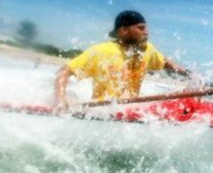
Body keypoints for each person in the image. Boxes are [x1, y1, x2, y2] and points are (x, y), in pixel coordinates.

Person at [54, 10, 189, 113]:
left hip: (131, 110)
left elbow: (165, 62)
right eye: (141, 28)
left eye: (146, 28)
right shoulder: (102, 51)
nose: (147, 32)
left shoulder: (147, 49)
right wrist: (60, 100)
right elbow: (64, 71)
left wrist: (191, 76)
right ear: (124, 30)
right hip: (102, 112)